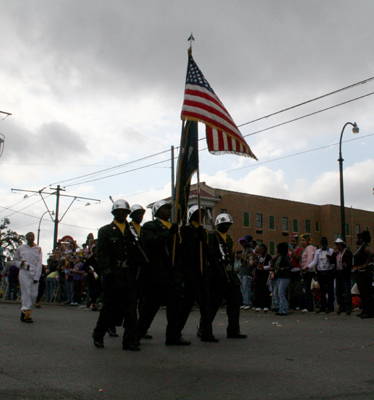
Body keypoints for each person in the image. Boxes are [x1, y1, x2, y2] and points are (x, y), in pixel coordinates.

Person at [137, 200, 190, 346]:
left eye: (169, 209)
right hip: (157, 273)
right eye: (164, 209)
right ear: (156, 212)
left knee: (174, 307)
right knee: (151, 305)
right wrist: (169, 233)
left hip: (173, 272)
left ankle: (172, 336)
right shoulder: (150, 226)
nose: (168, 211)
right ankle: (138, 332)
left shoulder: (174, 227)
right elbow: (151, 243)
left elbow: (179, 250)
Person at [92, 199, 140, 351]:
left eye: (125, 212)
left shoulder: (131, 231)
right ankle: (98, 334)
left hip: (129, 274)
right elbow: (102, 253)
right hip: (114, 273)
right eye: (119, 212)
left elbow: (137, 253)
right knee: (109, 308)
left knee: (132, 309)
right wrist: (106, 271)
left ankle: (129, 340)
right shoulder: (106, 230)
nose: (122, 214)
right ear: (113, 213)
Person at [179, 206, 217, 342]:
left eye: (202, 213)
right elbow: (185, 251)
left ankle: (206, 332)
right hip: (191, 270)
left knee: (206, 305)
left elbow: (209, 252)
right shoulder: (186, 230)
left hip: (203, 271)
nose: (201, 215)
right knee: (186, 304)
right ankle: (176, 332)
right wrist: (197, 237)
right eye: (199, 213)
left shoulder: (205, 232)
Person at [207, 213, 247, 339]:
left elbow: (232, 257)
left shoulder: (229, 239)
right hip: (217, 274)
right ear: (218, 224)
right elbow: (211, 256)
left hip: (229, 273)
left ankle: (233, 330)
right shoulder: (212, 237)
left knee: (234, 303)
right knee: (213, 304)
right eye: (224, 224)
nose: (227, 227)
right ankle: (204, 328)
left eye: (228, 225)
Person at [128, 204, 152, 339]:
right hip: (131, 268)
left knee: (142, 300)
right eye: (137, 214)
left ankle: (141, 327)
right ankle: (112, 325)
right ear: (131, 215)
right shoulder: (128, 228)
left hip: (142, 268)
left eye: (142, 214)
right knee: (128, 301)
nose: (140, 216)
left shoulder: (143, 230)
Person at [13, 232, 43, 323]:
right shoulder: (21, 248)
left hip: (34, 273)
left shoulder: (38, 249)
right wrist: (20, 264)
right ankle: (26, 313)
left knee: (33, 295)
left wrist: (37, 276)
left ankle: (25, 311)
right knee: (26, 292)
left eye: (32, 236)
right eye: (29, 236)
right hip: (24, 272)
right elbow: (16, 260)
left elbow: (39, 263)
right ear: (26, 237)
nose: (31, 237)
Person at [307, 237, 335, 313]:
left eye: (325, 243)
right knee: (322, 290)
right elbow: (315, 261)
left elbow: (333, 262)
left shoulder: (331, 251)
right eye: (323, 244)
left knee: (330, 290)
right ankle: (323, 306)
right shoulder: (318, 252)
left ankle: (330, 306)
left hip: (329, 272)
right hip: (321, 272)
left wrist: (331, 258)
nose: (324, 245)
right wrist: (308, 267)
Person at [353, 231, 374, 319]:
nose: (356, 240)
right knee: (362, 292)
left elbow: (372, 253)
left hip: (365, 273)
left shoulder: (365, 247)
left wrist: (366, 263)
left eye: (357, 238)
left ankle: (369, 311)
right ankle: (365, 310)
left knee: (367, 292)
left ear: (361, 239)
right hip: (360, 272)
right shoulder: (361, 247)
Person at [270, 242, 292, 316]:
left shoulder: (285, 257)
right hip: (280, 276)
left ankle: (284, 309)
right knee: (280, 293)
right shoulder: (279, 257)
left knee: (281, 293)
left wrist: (282, 269)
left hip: (284, 277)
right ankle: (281, 309)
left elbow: (290, 266)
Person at [333, 238, 353, 315]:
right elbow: (332, 260)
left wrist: (346, 265)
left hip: (345, 273)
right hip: (338, 272)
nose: (337, 246)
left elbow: (350, 263)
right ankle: (341, 306)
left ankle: (348, 307)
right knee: (339, 290)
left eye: (338, 244)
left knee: (346, 290)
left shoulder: (348, 253)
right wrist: (334, 253)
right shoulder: (337, 254)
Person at [300, 233, 316, 312]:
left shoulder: (309, 248)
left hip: (308, 270)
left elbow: (310, 259)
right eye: (301, 240)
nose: (302, 242)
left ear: (307, 241)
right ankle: (309, 305)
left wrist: (305, 267)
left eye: (303, 240)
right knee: (307, 288)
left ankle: (309, 306)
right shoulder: (308, 248)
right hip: (308, 269)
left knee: (307, 288)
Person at [253, 244, 272, 312]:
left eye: (262, 250)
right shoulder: (258, 257)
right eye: (259, 250)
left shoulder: (268, 257)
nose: (260, 251)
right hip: (258, 275)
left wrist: (265, 268)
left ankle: (266, 305)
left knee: (265, 290)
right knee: (258, 289)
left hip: (265, 275)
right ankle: (259, 305)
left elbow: (270, 265)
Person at [83, 245, 101, 311]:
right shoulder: (90, 259)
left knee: (99, 290)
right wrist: (88, 271)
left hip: (98, 276)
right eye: (95, 251)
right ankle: (93, 304)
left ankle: (93, 301)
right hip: (91, 277)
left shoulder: (100, 259)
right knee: (92, 291)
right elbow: (84, 267)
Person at [237, 236, 254, 310]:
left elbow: (251, 262)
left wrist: (242, 258)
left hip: (247, 272)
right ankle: (244, 302)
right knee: (242, 288)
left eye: (244, 242)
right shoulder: (244, 251)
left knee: (246, 287)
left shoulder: (250, 251)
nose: (242, 244)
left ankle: (248, 302)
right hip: (242, 271)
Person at [288, 234, 303, 310]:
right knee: (290, 288)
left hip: (296, 270)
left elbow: (297, 259)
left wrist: (293, 252)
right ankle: (291, 304)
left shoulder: (299, 249)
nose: (292, 243)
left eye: (293, 241)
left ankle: (297, 304)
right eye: (291, 241)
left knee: (296, 288)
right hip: (290, 270)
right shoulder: (289, 250)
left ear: (296, 242)